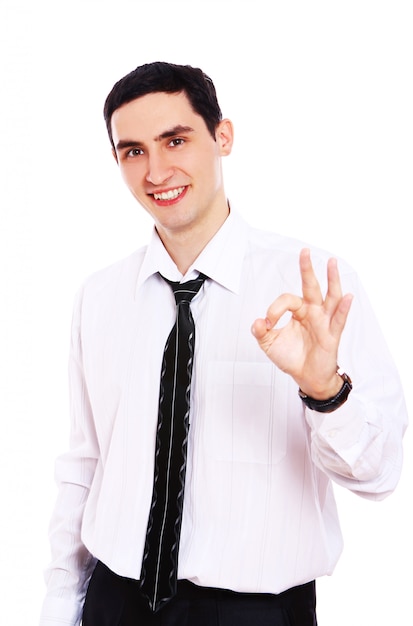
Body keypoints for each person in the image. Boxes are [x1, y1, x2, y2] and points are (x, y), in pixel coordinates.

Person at [39, 61, 408, 626]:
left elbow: (380, 476)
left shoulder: (313, 287)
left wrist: (324, 389)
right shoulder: (99, 296)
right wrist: (61, 603)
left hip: (253, 613)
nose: (156, 170)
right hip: (113, 603)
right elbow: (86, 461)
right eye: (133, 151)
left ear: (223, 137)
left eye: (176, 140)